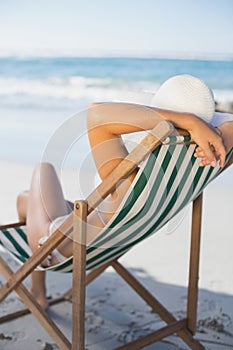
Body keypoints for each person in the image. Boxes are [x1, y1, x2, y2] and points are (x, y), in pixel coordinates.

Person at [16, 89, 233, 310]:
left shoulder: (128, 180)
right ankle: (38, 292)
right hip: (108, 242)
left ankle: (38, 293)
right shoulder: (206, 163)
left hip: (56, 248)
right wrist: (208, 128)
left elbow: (97, 114)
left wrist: (187, 120)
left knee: (42, 170)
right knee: (25, 200)